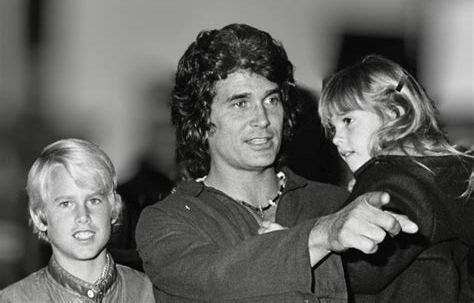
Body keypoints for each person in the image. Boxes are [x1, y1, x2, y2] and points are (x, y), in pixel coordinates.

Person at [135, 23, 418, 302]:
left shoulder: (336, 204)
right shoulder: (167, 220)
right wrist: (322, 236)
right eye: (240, 103)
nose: (262, 119)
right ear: (201, 122)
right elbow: (217, 278)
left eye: (271, 100)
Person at [318, 54, 474, 302]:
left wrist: (305, 248)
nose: (336, 138)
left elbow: (365, 269)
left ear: (395, 112)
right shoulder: (433, 175)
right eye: (332, 127)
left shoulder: (396, 182)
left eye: (347, 120)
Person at [0, 138, 155, 302]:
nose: (83, 216)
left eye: (94, 200)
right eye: (66, 204)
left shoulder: (150, 293)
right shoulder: (14, 299)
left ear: (114, 208)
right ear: (39, 217)